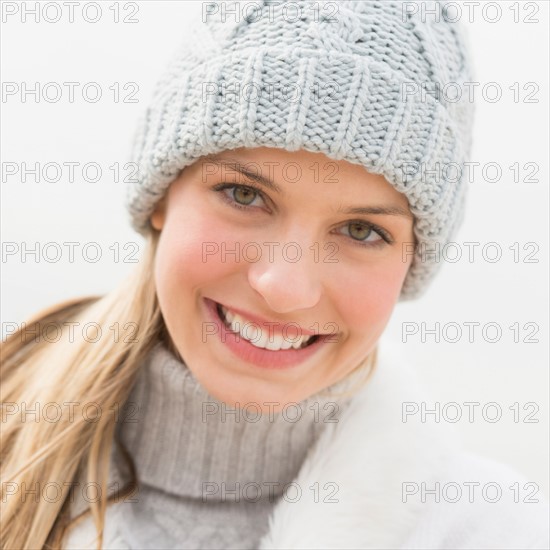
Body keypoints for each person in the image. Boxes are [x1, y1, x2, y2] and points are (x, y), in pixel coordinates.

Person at [1, 1, 548, 549]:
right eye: (245, 195)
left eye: (361, 232)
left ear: (411, 262)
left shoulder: (490, 532)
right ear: (163, 195)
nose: (284, 288)